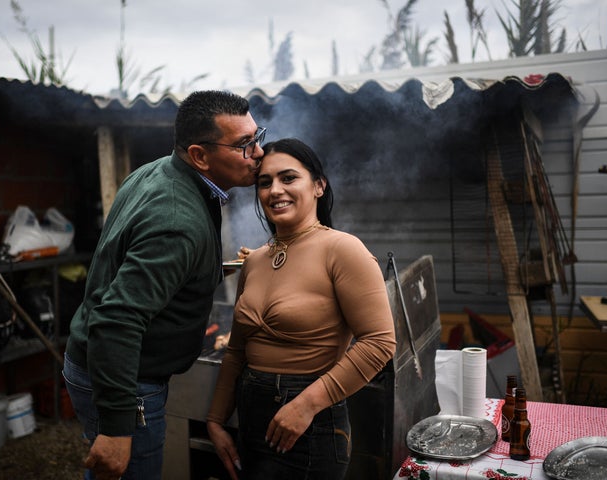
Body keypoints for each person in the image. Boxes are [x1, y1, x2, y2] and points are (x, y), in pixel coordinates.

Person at [63, 90, 266, 480]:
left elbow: (144, 262)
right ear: (200, 156)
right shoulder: (178, 221)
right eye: (244, 145)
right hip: (126, 378)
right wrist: (117, 428)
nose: (258, 153)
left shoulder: (160, 171)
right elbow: (117, 319)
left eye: (257, 137)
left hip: (97, 363)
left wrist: (218, 267)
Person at [206, 138, 397, 480]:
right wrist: (216, 421)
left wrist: (305, 405)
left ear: (319, 186)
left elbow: (379, 343)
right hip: (251, 417)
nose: (275, 190)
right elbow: (236, 352)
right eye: (265, 182)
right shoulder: (255, 261)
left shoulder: (342, 249)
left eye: (289, 178)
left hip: (312, 426)